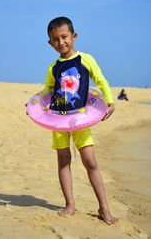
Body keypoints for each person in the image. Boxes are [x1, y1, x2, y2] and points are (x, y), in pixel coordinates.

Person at [43, 17, 116, 224]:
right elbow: (48, 91)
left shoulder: (85, 59)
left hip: (80, 119)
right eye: (55, 39)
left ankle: (104, 208)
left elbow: (100, 79)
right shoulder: (53, 67)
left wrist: (110, 101)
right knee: (63, 161)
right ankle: (70, 204)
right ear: (50, 43)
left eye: (64, 37)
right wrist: (33, 105)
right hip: (58, 120)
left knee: (90, 162)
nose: (61, 42)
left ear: (74, 36)